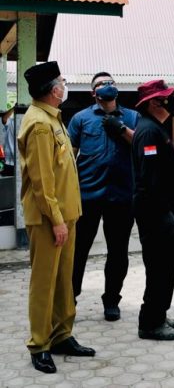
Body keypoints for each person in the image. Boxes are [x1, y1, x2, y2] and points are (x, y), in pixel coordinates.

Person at [19, 62, 95, 373]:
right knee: (44, 283)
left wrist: (66, 216)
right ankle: (39, 344)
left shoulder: (52, 119)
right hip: (50, 219)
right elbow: (41, 181)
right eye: (61, 82)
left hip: (66, 215)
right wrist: (57, 219)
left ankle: (62, 334)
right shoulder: (39, 124)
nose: (64, 85)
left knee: (64, 280)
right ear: (54, 90)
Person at [68, 73, 138, 322]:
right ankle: (69, 299)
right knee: (78, 252)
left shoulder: (132, 117)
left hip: (121, 197)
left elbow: (141, 147)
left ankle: (111, 300)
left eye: (111, 83)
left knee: (118, 252)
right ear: (93, 92)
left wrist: (121, 130)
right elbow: (69, 158)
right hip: (87, 196)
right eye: (101, 84)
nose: (107, 86)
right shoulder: (80, 119)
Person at [131, 80, 174, 340]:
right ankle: (150, 323)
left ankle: (159, 313)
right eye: (166, 98)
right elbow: (150, 179)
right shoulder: (149, 132)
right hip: (156, 215)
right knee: (158, 268)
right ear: (154, 103)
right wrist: (165, 214)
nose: (171, 102)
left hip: (162, 212)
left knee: (165, 267)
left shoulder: (155, 128)